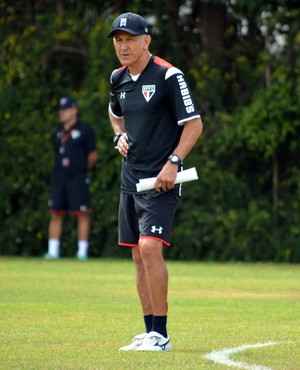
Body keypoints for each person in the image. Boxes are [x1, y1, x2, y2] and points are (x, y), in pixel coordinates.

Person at [107, 12, 203, 351]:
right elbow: (116, 114)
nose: (123, 45)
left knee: (150, 248)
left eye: (130, 39)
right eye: (118, 40)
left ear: (146, 40)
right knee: (137, 255)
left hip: (161, 180)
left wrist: (173, 163)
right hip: (130, 179)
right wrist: (118, 135)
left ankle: (161, 335)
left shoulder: (168, 75)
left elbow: (194, 124)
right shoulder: (117, 77)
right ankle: (149, 331)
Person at [44, 96, 98, 260]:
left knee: (82, 214)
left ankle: (82, 252)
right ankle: (53, 251)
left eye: (65, 109)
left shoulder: (85, 130)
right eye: (61, 110)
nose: (62, 113)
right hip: (60, 178)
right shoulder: (57, 132)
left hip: (77, 178)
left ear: (74, 110)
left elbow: (93, 155)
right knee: (56, 213)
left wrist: (81, 170)